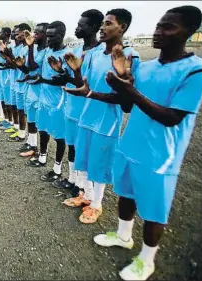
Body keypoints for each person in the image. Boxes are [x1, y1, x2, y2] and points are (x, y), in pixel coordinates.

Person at [85, 6, 202, 280]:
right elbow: (128, 106)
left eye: (169, 27)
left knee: (153, 211)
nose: (159, 32)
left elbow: (172, 117)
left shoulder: (195, 71)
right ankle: (123, 235)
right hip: (130, 145)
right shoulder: (147, 67)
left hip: (159, 156)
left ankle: (146, 260)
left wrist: (129, 89)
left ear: (190, 32)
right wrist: (120, 83)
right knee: (126, 195)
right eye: (159, 25)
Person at [63, 9, 141, 224]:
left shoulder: (130, 56)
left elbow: (126, 102)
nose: (102, 28)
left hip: (106, 121)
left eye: (108, 24)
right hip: (86, 116)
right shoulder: (96, 54)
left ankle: (96, 205)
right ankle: (86, 196)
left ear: (122, 28)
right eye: (102, 24)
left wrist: (92, 93)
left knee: (100, 163)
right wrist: (77, 73)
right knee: (86, 159)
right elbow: (84, 85)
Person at [52, 9, 104, 200]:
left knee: (85, 151)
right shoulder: (73, 51)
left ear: (93, 28)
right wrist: (60, 72)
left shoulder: (100, 54)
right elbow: (69, 79)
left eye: (81, 25)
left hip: (88, 111)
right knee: (72, 145)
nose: (76, 28)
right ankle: (73, 180)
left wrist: (72, 75)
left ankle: (86, 189)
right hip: (71, 108)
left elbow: (87, 85)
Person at [24, 21, 70, 184]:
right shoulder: (46, 51)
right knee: (42, 130)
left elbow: (63, 81)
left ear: (62, 35)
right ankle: (42, 158)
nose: (49, 39)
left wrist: (42, 79)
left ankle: (57, 169)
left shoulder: (67, 54)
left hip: (58, 103)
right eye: (48, 36)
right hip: (43, 100)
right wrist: (30, 47)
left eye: (52, 36)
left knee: (59, 137)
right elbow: (32, 66)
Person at [16, 23, 49, 158]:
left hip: (41, 91)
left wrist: (30, 48)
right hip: (31, 88)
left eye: (38, 33)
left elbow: (34, 65)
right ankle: (32, 144)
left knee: (40, 122)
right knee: (30, 118)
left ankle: (41, 151)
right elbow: (29, 68)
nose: (35, 35)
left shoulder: (46, 51)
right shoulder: (34, 48)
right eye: (34, 32)